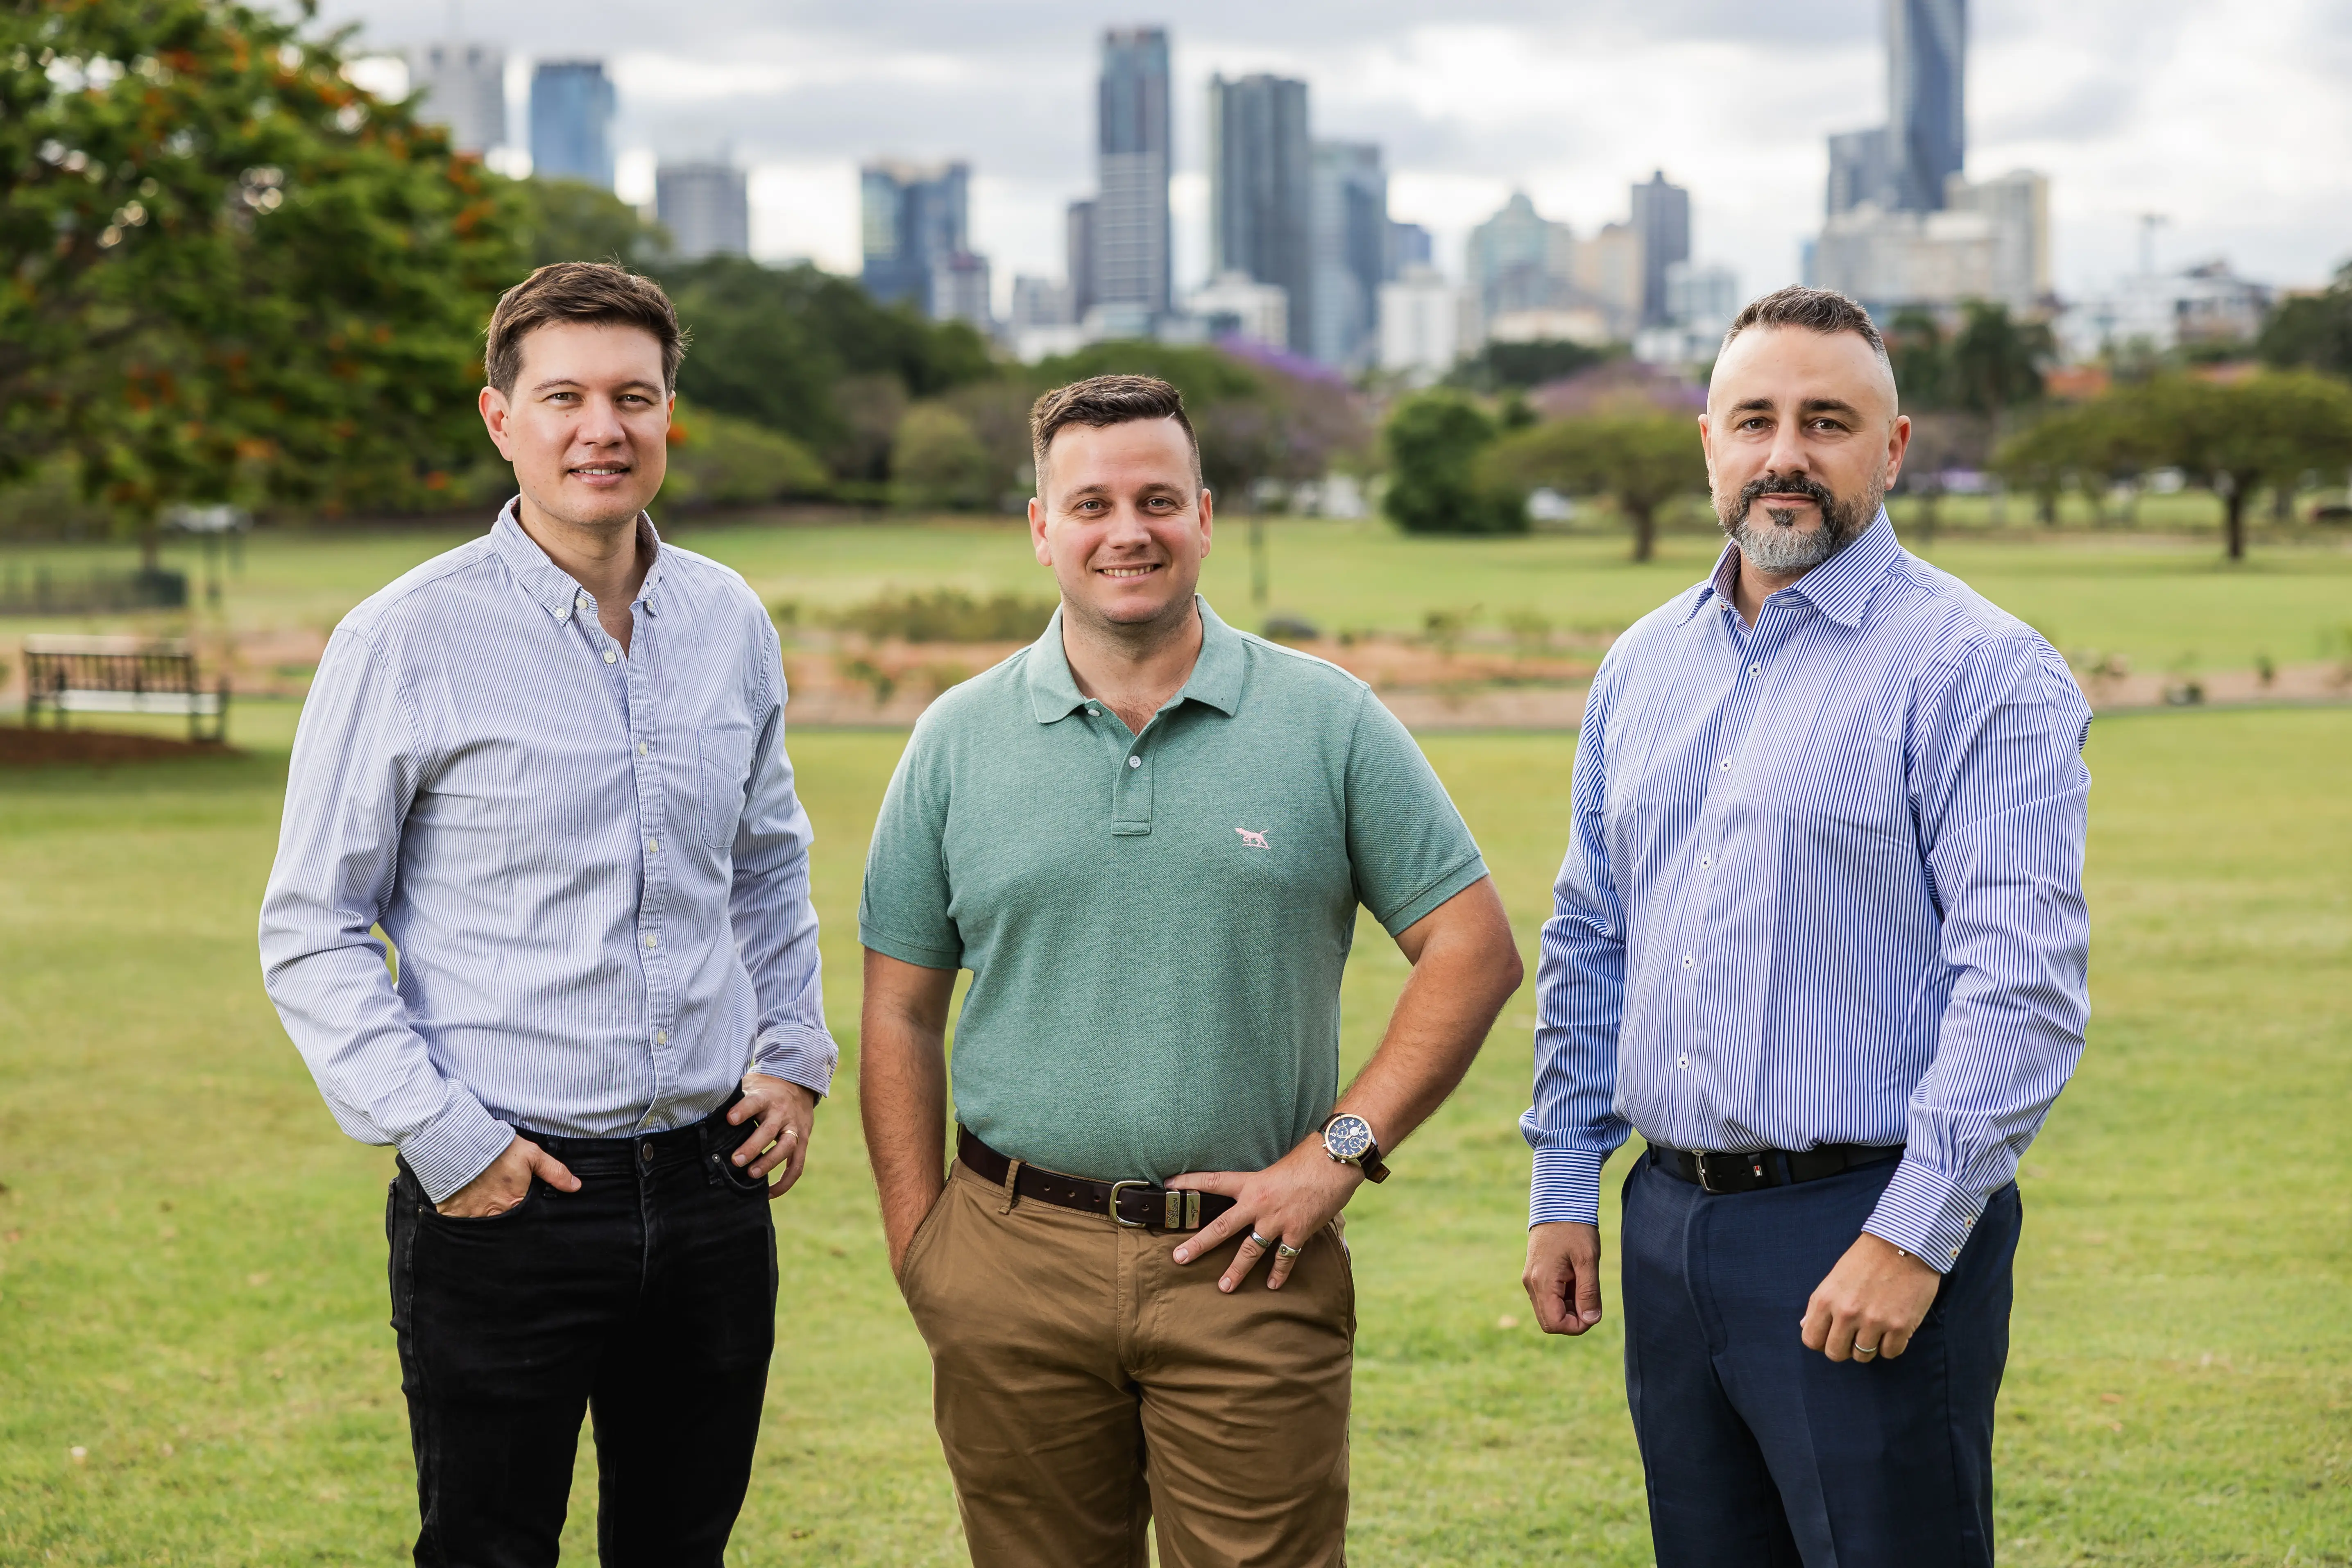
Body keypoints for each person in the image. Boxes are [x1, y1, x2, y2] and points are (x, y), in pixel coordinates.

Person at [858, 374, 1525, 1568]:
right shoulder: (955, 738)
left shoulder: (1328, 720)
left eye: (1158, 499)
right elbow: (899, 1011)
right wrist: (926, 1249)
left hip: (1248, 1263)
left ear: (1204, 516)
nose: (1129, 530)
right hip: (1011, 1259)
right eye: (1093, 502)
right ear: (1041, 526)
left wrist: (1338, 1155)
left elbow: (1470, 949)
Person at [258, 262, 833, 1567]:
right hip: (507, 1192)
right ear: (498, 417)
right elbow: (312, 922)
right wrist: (444, 1136)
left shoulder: (727, 619)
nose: (602, 428)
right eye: (564, 395)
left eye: (635, 396)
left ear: (669, 415)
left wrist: (793, 1055)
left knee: (682, 1548)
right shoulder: (404, 637)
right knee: (488, 1550)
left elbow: (764, 863)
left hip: (711, 1188)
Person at [1519, 286, 2091, 1568]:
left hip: (1864, 1220)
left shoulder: (1977, 669)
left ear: (1890, 450)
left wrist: (1909, 1233)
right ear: (1708, 443)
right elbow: (1588, 936)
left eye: (1826, 421)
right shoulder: (1641, 665)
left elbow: (2020, 984)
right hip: (1669, 1225)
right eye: (1755, 419)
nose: (1785, 454)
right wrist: (1567, 1182)